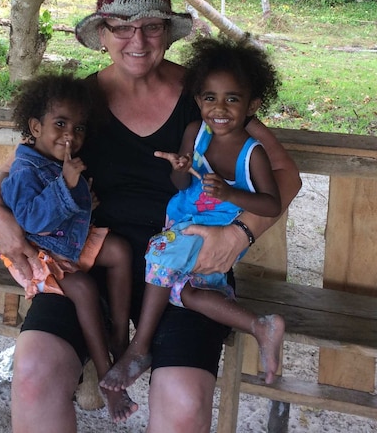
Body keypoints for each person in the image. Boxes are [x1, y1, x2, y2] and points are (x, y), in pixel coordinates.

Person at [0, 0, 302, 433]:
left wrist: (240, 233)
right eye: (122, 27)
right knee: (32, 375)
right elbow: (18, 167)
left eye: (152, 26)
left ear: (168, 34)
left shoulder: (205, 99)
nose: (138, 39)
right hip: (87, 259)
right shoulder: (79, 102)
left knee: (184, 401)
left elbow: (286, 176)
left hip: (187, 263)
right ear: (103, 35)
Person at [100, 37, 287, 393]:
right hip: (183, 227)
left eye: (233, 99)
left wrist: (231, 193)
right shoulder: (194, 133)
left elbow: (270, 204)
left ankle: (139, 348)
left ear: (253, 105)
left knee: (158, 254)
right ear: (199, 100)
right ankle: (260, 325)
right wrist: (182, 166)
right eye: (210, 98)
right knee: (191, 295)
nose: (220, 108)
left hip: (208, 235)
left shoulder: (252, 154)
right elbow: (179, 181)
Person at [0, 73, 136, 422]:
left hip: (65, 242)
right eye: (60, 124)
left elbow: (71, 206)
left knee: (119, 252)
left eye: (79, 127)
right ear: (35, 125)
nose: (70, 135)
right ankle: (107, 376)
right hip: (40, 254)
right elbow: (31, 220)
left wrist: (82, 198)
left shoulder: (56, 158)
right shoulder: (26, 168)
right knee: (85, 291)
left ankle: (120, 338)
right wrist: (67, 185)